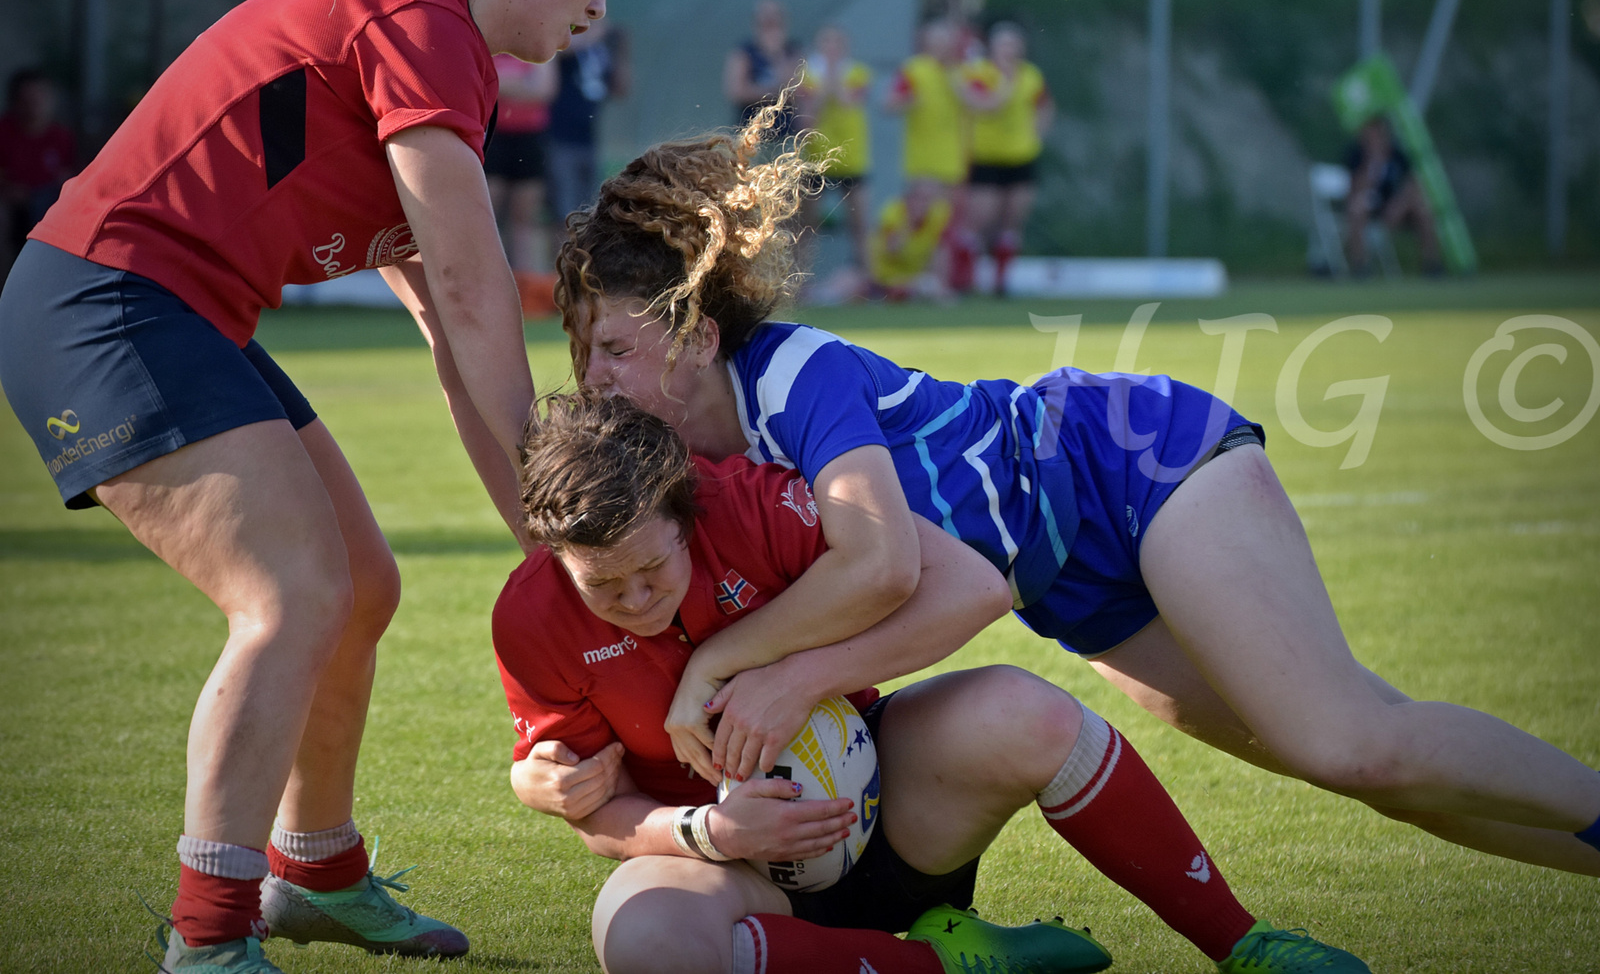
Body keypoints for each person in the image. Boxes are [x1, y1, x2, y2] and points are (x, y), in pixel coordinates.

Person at [551, 101, 1600, 888]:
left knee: (1348, 738)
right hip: (1068, 585)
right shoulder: (682, 466)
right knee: (1356, 765)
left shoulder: (788, 376)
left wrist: (754, 671)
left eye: (612, 347)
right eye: (582, 348)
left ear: (691, 334)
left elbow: (887, 568)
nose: (589, 375)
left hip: (1131, 467)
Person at [0, 0, 647, 973]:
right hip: (102, 303)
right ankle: (207, 938)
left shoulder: (438, 50)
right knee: (293, 594)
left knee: (360, 589)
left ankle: (316, 873)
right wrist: (561, 524)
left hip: (178, 310)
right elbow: (469, 281)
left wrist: (545, 538)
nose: (600, 6)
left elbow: (449, 326)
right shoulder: (422, 15)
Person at [495, 393, 1368, 974]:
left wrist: (796, 677)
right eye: (602, 588)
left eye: (652, 570)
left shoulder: (755, 504)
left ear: (689, 514)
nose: (636, 601)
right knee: (642, 940)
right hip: (732, 876)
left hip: (892, 817)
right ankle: (949, 963)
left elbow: (972, 585)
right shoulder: (530, 619)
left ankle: (1244, 944)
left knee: (1024, 711)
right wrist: (710, 829)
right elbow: (592, 810)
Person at [960, 23, 1053, 294]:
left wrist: (1036, 135)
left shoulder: (1031, 76)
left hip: (1020, 158)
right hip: (986, 158)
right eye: (1003, 45)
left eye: (1014, 45)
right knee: (981, 219)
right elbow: (987, 105)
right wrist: (1005, 81)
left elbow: (1044, 106)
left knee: (1012, 219)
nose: (1009, 51)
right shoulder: (980, 73)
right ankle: (968, 278)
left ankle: (1002, 281)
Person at [883, 21, 970, 290]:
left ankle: (943, 282)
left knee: (947, 228)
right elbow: (889, 103)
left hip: (953, 161)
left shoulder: (962, 72)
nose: (941, 47)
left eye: (945, 42)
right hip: (923, 162)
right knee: (926, 225)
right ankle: (920, 282)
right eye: (936, 42)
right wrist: (907, 102)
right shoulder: (915, 70)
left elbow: (980, 106)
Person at [797, 25, 872, 282]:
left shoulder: (858, 73)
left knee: (860, 224)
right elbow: (808, 114)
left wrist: (830, 80)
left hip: (852, 158)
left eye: (836, 44)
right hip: (817, 158)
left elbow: (848, 101)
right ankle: (801, 284)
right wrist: (826, 81)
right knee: (808, 225)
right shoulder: (807, 76)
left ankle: (867, 280)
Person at [547, 18, 630, 234]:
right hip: (560, 137)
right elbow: (558, 52)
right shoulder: (567, 37)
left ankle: (580, 258)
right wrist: (594, 34)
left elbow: (620, 88)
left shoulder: (601, 49)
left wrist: (621, 50)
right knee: (563, 208)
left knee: (588, 207)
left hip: (589, 138)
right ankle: (557, 260)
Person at [484, 51, 558, 271]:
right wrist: (523, 85)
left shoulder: (537, 49)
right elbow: (480, 84)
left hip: (529, 139)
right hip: (493, 138)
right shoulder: (490, 45)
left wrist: (501, 84)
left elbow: (544, 90)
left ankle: (524, 286)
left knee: (524, 219)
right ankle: (486, 277)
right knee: (486, 215)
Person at [1343, 117, 1443, 276]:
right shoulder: (1357, 155)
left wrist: (1399, 203)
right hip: (1370, 204)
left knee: (1423, 209)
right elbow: (1355, 187)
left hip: (1396, 205)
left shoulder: (1397, 155)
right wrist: (1373, 164)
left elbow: (1413, 182)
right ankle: (1360, 266)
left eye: (1378, 133)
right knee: (1357, 209)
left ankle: (1431, 264)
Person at [0, 67, 75, 279]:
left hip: (48, 202)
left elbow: (69, 177)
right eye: (28, 98)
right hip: (13, 205)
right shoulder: (4, 132)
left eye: (41, 96)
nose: (35, 104)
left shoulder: (61, 136)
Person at [725, 0, 803, 137]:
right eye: (766, 17)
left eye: (774, 17)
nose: (770, 21)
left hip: (786, 130)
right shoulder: (745, 52)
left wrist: (776, 55)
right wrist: (774, 93)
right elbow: (737, 91)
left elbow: (797, 88)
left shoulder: (792, 51)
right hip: (750, 131)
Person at [867, 187, 953, 301]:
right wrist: (908, 226)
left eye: (925, 200)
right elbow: (892, 251)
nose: (920, 205)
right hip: (885, 277)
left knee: (930, 284)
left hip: (915, 278)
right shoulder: (893, 213)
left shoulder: (937, 216)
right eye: (917, 199)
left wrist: (942, 284)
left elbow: (941, 252)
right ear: (907, 200)